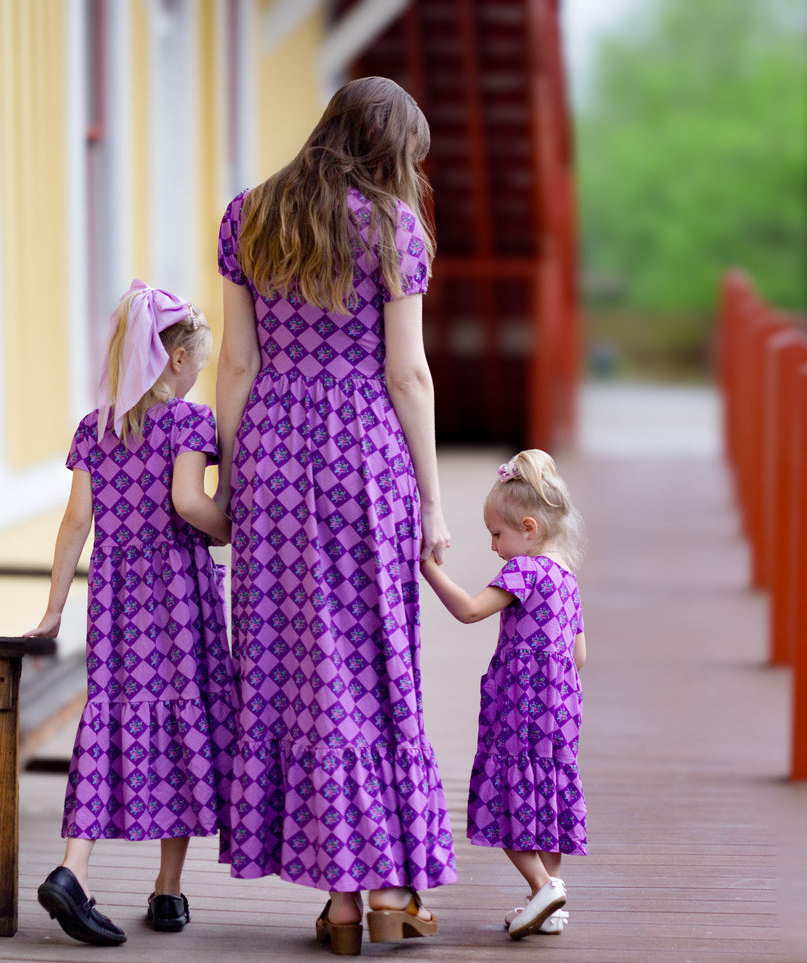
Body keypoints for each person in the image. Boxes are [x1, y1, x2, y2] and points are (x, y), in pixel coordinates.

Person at [214, 76, 456, 956]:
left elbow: (235, 363)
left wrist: (235, 476)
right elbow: (408, 375)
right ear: (385, 150)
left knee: (294, 667)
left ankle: (342, 901)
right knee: (371, 660)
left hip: (274, 449)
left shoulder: (249, 214)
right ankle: (385, 884)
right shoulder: (394, 227)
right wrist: (431, 500)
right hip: (363, 452)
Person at [26, 280, 235, 947]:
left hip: (116, 602)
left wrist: (54, 607)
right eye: (196, 360)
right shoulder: (187, 421)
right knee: (183, 717)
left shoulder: (96, 427)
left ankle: (73, 867)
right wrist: (228, 524)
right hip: (177, 596)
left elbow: (75, 520)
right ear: (175, 360)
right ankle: (168, 889)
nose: (198, 370)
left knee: (108, 716)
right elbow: (186, 503)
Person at [419, 450, 588, 940]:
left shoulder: (526, 572)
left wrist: (428, 568)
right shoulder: (566, 578)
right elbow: (579, 654)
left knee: (512, 801)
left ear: (529, 528)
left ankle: (542, 887)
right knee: (546, 796)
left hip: (520, 703)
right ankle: (550, 900)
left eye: (497, 534)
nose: (493, 546)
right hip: (561, 710)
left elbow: (471, 611)